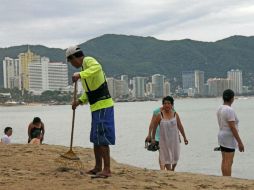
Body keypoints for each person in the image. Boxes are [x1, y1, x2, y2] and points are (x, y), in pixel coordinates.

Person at [66, 45, 115, 178]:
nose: (71, 64)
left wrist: (80, 75)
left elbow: (97, 67)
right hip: (95, 107)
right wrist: (79, 101)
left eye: (70, 61)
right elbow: (89, 92)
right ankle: (97, 167)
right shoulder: (84, 70)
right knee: (96, 138)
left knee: (102, 138)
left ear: (75, 57)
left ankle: (107, 169)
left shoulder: (88, 61)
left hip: (104, 106)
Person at [151, 96, 188, 171]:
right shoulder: (159, 115)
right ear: (163, 105)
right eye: (165, 103)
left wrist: (184, 137)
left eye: (168, 103)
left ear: (172, 105)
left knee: (176, 157)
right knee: (166, 157)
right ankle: (169, 172)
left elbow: (180, 126)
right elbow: (154, 128)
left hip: (174, 140)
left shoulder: (175, 114)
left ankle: (172, 169)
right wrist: (153, 138)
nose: (167, 105)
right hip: (164, 141)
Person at [217, 89, 244, 176]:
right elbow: (232, 127)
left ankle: (224, 177)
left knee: (224, 159)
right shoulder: (229, 110)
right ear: (232, 98)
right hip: (229, 137)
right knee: (229, 160)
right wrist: (240, 142)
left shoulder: (220, 108)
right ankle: (227, 179)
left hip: (221, 135)